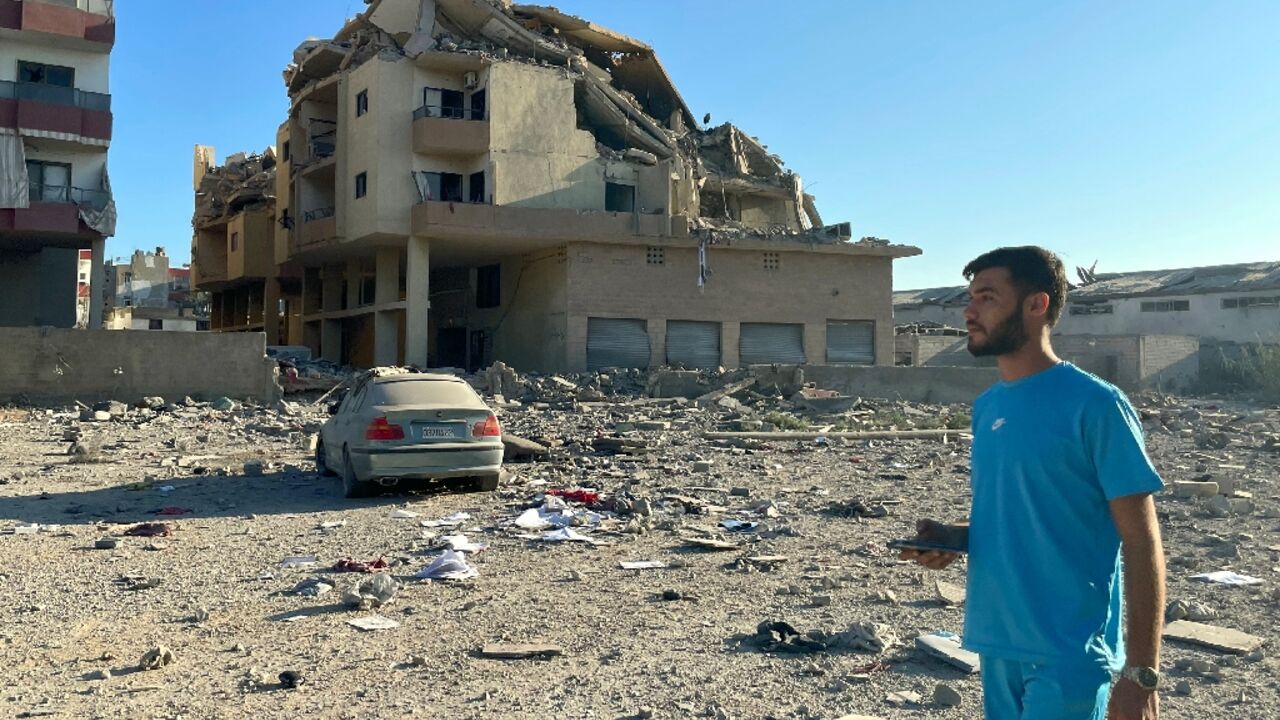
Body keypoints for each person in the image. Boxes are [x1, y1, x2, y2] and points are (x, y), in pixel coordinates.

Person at [899, 246, 1165, 720]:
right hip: (997, 643)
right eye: (969, 297)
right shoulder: (988, 407)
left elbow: (1142, 543)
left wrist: (1141, 675)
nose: (969, 311)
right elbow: (1026, 515)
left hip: (1069, 655)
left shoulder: (1097, 405)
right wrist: (955, 539)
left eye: (986, 297)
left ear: (1036, 305)